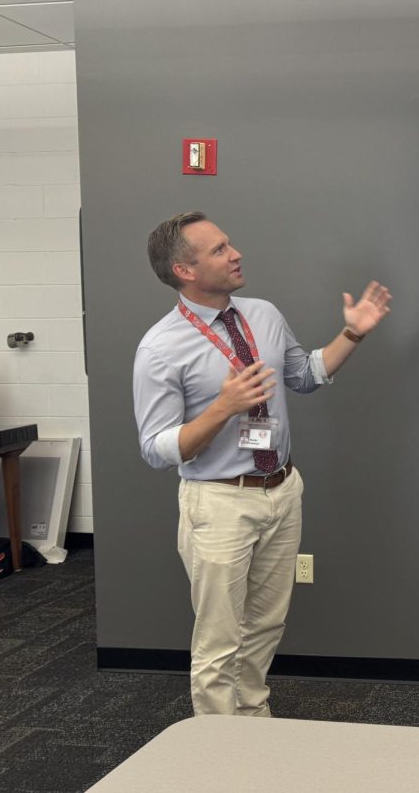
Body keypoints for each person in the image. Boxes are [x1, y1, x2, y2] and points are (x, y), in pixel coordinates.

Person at [132, 211, 391, 716]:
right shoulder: (159, 348)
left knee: (266, 626)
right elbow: (157, 448)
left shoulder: (264, 314)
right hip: (220, 502)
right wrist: (223, 408)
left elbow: (305, 374)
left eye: (230, 244)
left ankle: (253, 722)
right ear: (184, 270)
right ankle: (218, 749)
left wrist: (353, 334)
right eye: (220, 250)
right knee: (219, 640)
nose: (236, 254)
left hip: (282, 490)